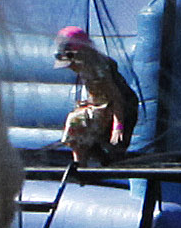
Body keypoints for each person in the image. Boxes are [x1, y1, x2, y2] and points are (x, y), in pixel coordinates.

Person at [53, 23, 139, 163]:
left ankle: (88, 162)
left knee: (79, 123)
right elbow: (97, 93)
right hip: (102, 105)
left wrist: (118, 126)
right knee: (78, 124)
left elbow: (116, 98)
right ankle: (80, 162)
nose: (70, 68)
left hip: (122, 108)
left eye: (71, 62)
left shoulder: (99, 70)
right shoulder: (84, 67)